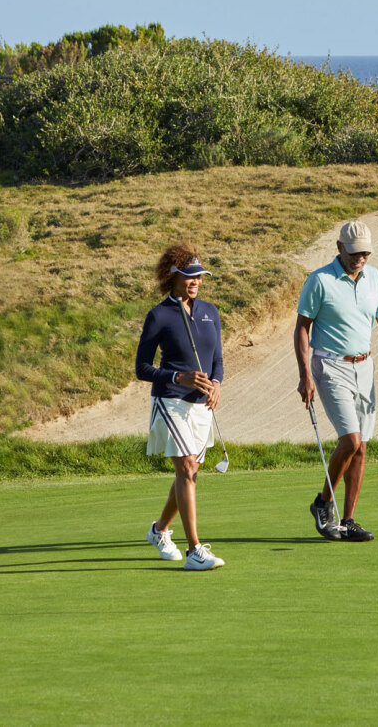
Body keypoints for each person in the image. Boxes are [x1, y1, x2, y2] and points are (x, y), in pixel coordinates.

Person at [294, 220, 378, 542]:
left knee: (361, 449)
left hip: (365, 367)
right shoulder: (319, 281)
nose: (361, 258)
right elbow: (302, 327)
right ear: (339, 248)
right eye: (355, 252)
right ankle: (323, 503)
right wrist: (305, 374)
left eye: (366, 253)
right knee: (351, 440)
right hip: (330, 366)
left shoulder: (374, 278)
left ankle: (347, 521)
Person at [136, 242, 226, 570]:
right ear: (172, 277)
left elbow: (217, 359)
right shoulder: (158, 315)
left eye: (199, 276)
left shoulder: (210, 312)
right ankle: (195, 551)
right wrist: (179, 377)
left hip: (201, 405)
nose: (195, 282)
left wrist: (215, 385)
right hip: (170, 401)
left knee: (188, 471)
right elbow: (142, 368)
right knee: (187, 468)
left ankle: (160, 531)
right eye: (189, 276)